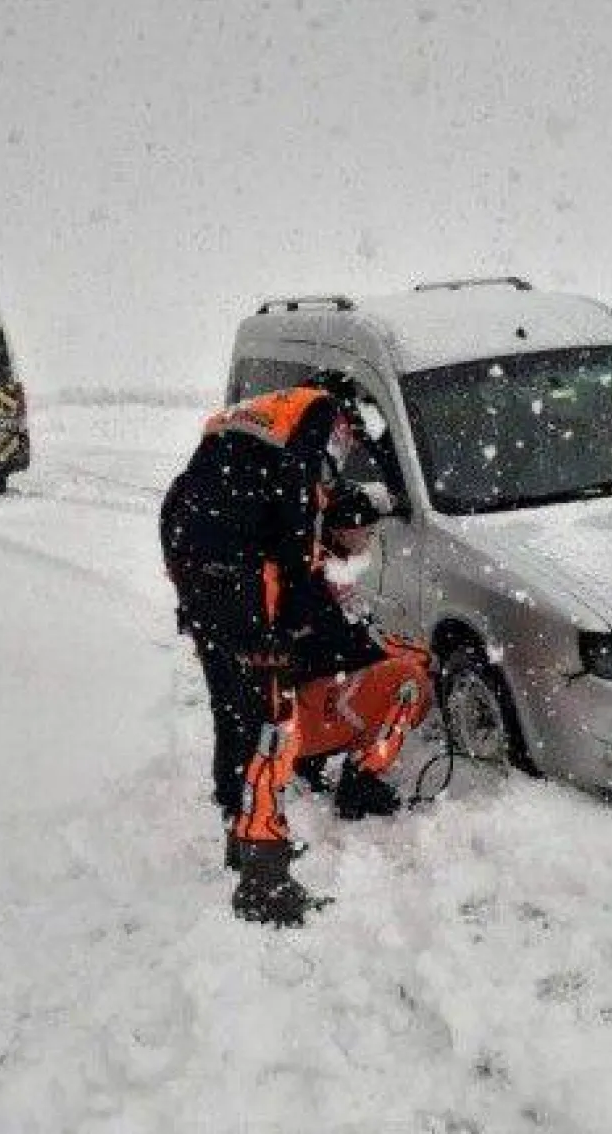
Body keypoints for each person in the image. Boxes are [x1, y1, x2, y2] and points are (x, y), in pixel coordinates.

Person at [160, 378, 433, 927]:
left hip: (190, 550)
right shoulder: (317, 419)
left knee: (232, 708)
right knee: (270, 721)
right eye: (351, 440)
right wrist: (300, 620)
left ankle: (241, 835)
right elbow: (295, 546)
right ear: (347, 419)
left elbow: (264, 517)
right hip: (236, 572)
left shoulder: (258, 423)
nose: (348, 450)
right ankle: (263, 879)